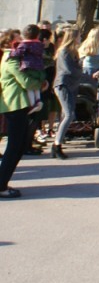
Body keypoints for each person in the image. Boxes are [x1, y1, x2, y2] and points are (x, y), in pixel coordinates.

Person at [0, 28, 48, 197]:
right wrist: (41, 84)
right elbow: (25, 81)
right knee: (14, 147)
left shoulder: (15, 57)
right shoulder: (11, 58)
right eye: (18, 39)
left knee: (19, 146)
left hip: (19, 105)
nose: (22, 42)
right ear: (9, 42)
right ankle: (1, 186)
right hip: (15, 105)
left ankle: (2, 182)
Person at [52, 27, 83, 159]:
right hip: (63, 85)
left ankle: (57, 143)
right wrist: (81, 70)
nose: (80, 38)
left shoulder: (73, 52)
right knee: (69, 114)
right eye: (79, 36)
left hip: (71, 85)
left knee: (66, 115)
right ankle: (57, 145)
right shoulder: (64, 51)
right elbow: (68, 70)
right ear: (73, 37)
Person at [79, 28, 99, 109]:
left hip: (96, 75)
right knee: (83, 94)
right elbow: (79, 61)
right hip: (84, 74)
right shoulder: (84, 47)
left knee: (94, 95)